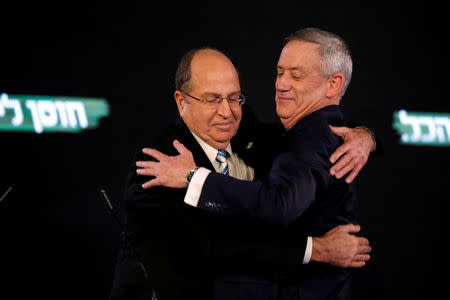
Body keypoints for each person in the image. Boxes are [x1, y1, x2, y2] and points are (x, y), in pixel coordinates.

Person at [111, 43, 372, 300]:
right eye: (211, 100)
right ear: (181, 102)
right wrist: (318, 249)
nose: (226, 112)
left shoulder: (248, 135)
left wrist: (366, 137)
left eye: (234, 98)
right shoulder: (157, 166)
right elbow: (219, 245)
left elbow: (313, 133)